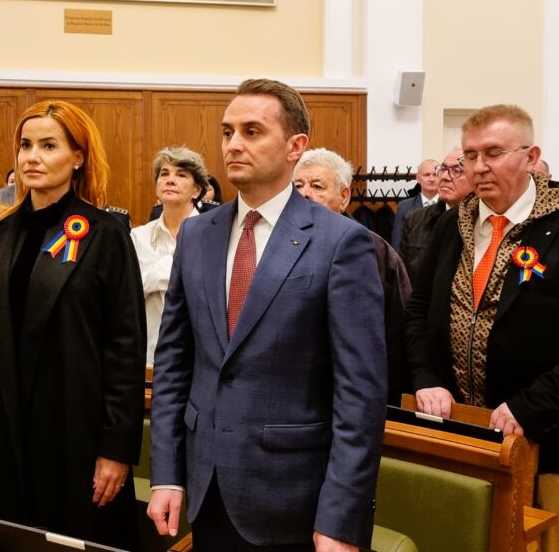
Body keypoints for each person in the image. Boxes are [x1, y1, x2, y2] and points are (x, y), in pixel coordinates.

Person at [148, 79, 386, 552]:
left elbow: (360, 394)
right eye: (227, 132)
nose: (233, 144)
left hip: (294, 496)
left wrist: (341, 517)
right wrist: (167, 474)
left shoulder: (342, 242)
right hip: (206, 486)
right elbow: (174, 363)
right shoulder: (197, 235)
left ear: (295, 146)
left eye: (252, 131)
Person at [405, 105, 559, 552]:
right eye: (470, 155)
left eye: (493, 153)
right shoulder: (452, 224)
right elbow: (418, 310)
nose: (479, 167)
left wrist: (534, 405)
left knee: (549, 545)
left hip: (554, 433)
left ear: (531, 156)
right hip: (466, 426)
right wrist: (425, 377)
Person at [0, 101, 146, 548]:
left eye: (48, 146)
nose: (32, 157)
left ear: (78, 157)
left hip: (74, 432)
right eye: (25, 145)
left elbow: (125, 349)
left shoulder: (104, 234)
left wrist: (116, 448)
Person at [293, 147, 413, 407]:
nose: (305, 193)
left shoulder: (375, 251)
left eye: (317, 186)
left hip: (354, 395)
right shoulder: (276, 246)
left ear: (344, 196)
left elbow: (397, 334)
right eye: (298, 186)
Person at [131, 146, 210, 367]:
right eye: (164, 174)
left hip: (199, 360)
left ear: (196, 190)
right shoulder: (138, 237)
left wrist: (151, 278)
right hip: (147, 359)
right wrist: (170, 266)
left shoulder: (214, 235)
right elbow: (127, 295)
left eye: (181, 174)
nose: (170, 180)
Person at [399, 148, 473, 283]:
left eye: (456, 171)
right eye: (443, 169)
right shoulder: (415, 220)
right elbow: (403, 278)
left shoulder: (484, 222)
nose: (445, 176)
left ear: (475, 178)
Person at [390, 159, 439, 250]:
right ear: (418, 178)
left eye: (435, 175)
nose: (431, 179)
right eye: (427, 175)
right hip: (412, 258)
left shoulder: (449, 205)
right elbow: (397, 243)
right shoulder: (404, 207)